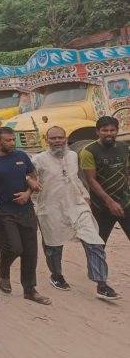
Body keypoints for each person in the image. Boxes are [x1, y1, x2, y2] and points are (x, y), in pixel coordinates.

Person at [35, 127, 120, 299]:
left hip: (77, 205)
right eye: (54, 138)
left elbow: (76, 179)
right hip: (51, 208)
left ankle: (101, 283)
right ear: (46, 139)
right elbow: (29, 179)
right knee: (54, 245)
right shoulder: (38, 160)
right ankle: (56, 275)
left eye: (61, 137)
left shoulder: (73, 156)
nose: (58, 141)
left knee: (94, 241)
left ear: (66, 139)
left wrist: (85, 195)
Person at [0, 127, 50, 305]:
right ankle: (4, 270)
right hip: (3, 210)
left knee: (30, 251)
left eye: (13, 140)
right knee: (14, 248)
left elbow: (32, 177)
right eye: (8, 140)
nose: (12, 143)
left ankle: (29, 289)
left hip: (26, 209)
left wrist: (27, 193)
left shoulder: (21, 156)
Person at [80, 116, 130, 243]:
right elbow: (91, 180)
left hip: (125, 203)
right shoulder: (89, 151)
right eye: (104, 130)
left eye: (112, 130)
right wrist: (110, 202)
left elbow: (126, 173)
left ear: (117, 131)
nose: (109, 133)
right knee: (97, 245)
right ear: (97, 131)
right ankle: (96, 264)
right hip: (101, 206)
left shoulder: (124, 147)